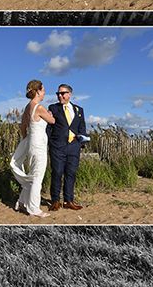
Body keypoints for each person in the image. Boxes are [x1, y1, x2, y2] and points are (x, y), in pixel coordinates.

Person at [9, 79, 57, 217]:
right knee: (37, 176)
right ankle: (34, 208)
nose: (44, 92)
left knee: (32, 174)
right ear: (37, 91)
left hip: (31, 142)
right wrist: (51, 114)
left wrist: (27, 139)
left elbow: (23, 126)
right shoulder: (39, 107)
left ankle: (22, 202)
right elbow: (52, 121)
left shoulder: (28, 107)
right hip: (39, 144)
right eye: (43, 90)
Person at [45, 83, 86, 211]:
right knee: (57, 173)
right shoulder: (53, 108)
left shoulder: (79, 110)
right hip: (57, 147)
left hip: (74, 147)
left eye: (62, 93)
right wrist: (51, 143)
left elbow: (82, 128)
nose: (60, 96)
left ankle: (69, 201)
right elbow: (49, 128)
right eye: (58, 94)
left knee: (71, 174)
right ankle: (55, 201)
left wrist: (81, 143)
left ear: (69, 94)